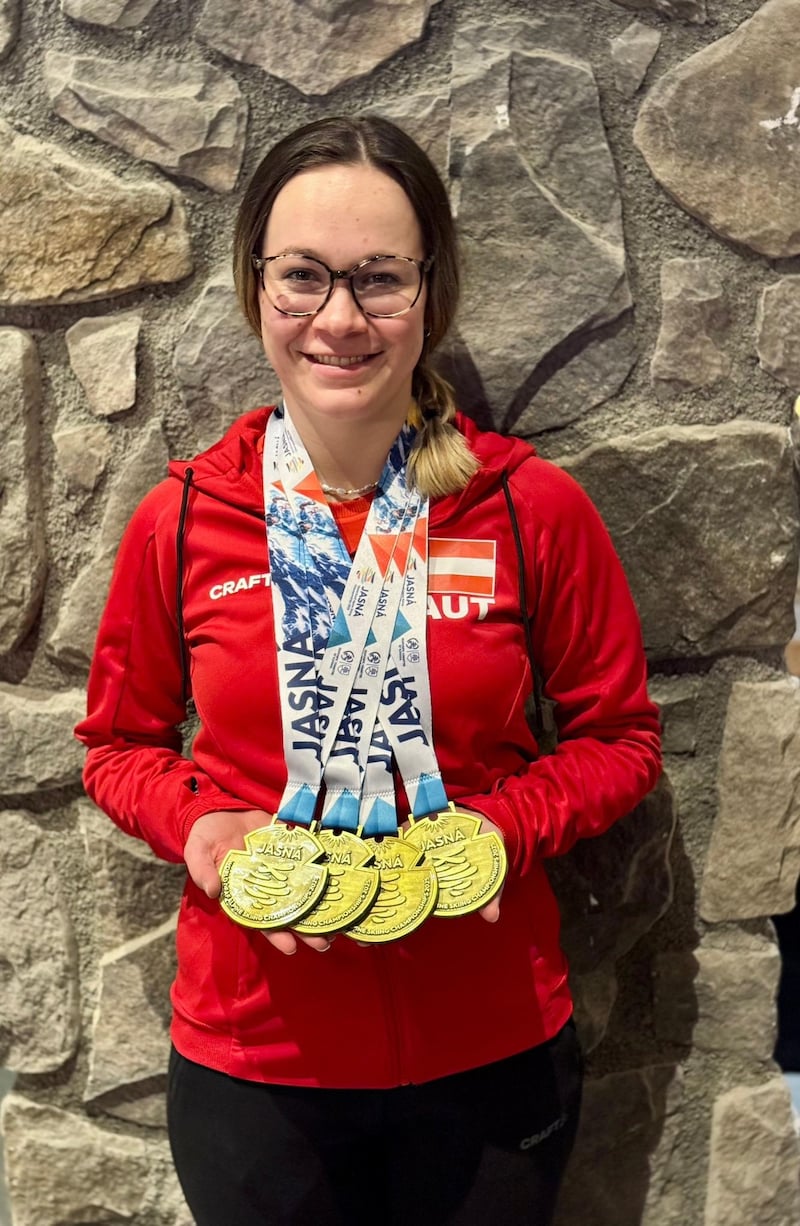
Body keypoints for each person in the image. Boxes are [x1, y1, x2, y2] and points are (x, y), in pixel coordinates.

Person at [75, 114, 662, 1226]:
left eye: (378, 279)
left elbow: (619, 738)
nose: (338, 318)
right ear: (256, 288)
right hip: (256, 1062)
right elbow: (119, 744)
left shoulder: (529, 506)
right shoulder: (183, 517)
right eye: (302, 276)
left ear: (428, 294)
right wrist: (202, 827)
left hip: (489, 1051)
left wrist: (506, 826)